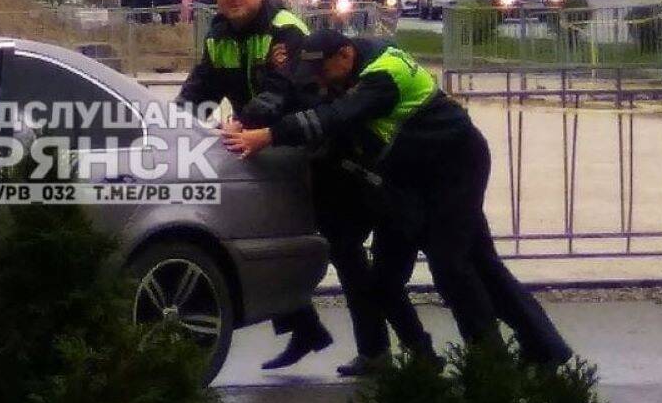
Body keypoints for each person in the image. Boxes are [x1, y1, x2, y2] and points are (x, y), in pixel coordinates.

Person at [223, 30, 573, 367]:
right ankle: (531, 349)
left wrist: (267, 136)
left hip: (453, 167)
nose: (320, 80)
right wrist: (244, 119)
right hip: (409, 177)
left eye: (323, 70)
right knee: (390, 279)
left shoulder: (382, 76)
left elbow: (335, 116)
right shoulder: (348, 65)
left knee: (454, 267)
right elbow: (297, 95)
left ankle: (491, 366)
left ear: (345, 55)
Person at [179, 0, 371, 372]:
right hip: (268, 149)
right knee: (267, 238)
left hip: (315, 148)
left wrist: (243, 123)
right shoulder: (219, 34)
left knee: (344, 249)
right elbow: (201, 86)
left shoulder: (285, 30)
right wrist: (174, 124)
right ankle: (306, 329)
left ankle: (375, 350)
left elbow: (281, 92)